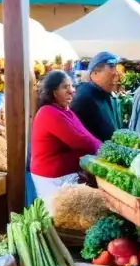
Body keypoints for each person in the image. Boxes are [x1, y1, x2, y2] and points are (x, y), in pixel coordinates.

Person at [31, 70, 102, 201]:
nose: (71, 91)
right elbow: (80, 141)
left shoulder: (64, 111)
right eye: (65, 87)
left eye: (71, 86)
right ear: (53, 92)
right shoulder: (48, 113)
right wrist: (103, 149)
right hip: (53, 179)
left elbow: (86, 135)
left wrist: (101, 146)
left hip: (63, 175)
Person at [70, 51, 123, 143]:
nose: (116, 73)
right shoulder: (83, 97)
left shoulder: (105, 94)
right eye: (111, 67)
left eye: (115, 67)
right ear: (94, 73)